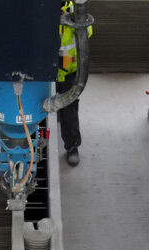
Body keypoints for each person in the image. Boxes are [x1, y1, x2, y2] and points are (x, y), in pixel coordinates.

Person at [57, 1, 93, 167]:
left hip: (68, 71)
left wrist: (70, 19)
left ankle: (72, 147)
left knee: (69, 110)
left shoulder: (74, 6)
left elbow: (87, 31)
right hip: (43, 71)